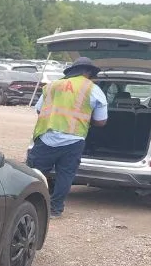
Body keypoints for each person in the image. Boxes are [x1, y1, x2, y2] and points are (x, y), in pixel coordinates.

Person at [26, 57, 108, 218]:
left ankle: (30, 205)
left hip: (45, 137)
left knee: (36, 174)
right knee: (65, 175)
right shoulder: (93, 89)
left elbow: (39, 110)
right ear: (87, 72)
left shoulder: (52, 86)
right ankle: (55, 209)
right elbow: (101, 121)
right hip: (73, 140)